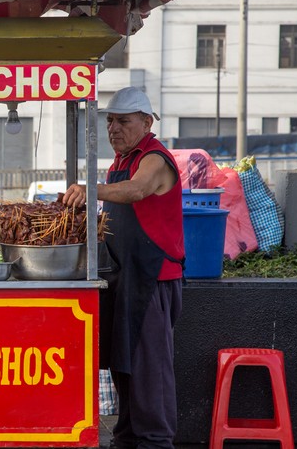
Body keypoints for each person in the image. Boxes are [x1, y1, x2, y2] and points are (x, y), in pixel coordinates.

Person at [62, 87, 184, 448]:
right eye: (110, 120)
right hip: (124, 277)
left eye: (123, 121)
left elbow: (135, 191)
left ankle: (155, 440)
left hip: (152, 279)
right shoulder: (119, 163)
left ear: (146, 122)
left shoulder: (154, 159)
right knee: (125, 367)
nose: (113, 128)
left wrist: (90, 190)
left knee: (149, 370)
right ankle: (128, 438)